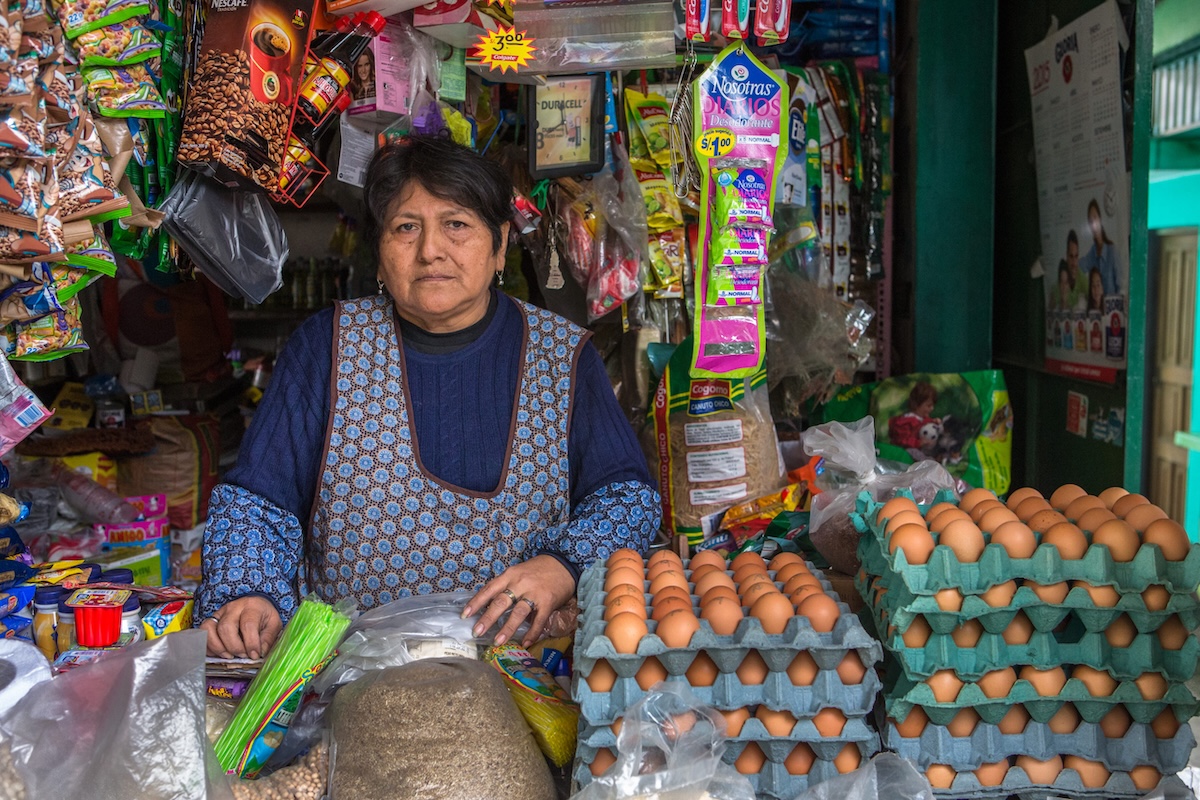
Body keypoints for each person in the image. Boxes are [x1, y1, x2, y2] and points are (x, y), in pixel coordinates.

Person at [198, 135, 661, 660]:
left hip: (520, 683)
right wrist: (250, 592)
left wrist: (563, 566)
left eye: (456, 224)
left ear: (500, 244)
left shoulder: (562, 356)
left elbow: (627, 499)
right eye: (405, 227)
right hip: (351, 680)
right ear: (379, 253)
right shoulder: (326, 346)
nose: (430, 250)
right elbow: (257, 502)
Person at [1079, 199, 1119, 295]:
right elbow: (1079, 267)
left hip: (1112, 307)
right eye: (1090, 221)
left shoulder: (1112, 251)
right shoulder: (1092, 253)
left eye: (1095, 218)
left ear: (1100, 219)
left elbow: (1120, 286)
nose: (1093, 225)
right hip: (1097, 308)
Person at [1064, 230, 1084, 307]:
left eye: (1076, 256)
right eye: (1071, 256)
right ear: (1066, 256)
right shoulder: (1061, 277)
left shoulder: (1081, 276)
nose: (1074, 263)